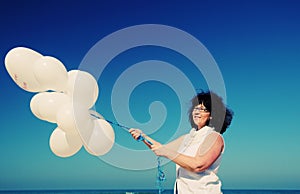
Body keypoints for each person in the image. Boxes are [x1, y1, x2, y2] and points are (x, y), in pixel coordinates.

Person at [129, 91, 233, 194]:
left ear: (212, 115)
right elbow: (160, 149)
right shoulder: (188, 137)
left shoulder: (213, 136)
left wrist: (166, 152)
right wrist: (143, 136)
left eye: (203, 110)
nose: (197, 112)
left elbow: (198, 165)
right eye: (196, 108)